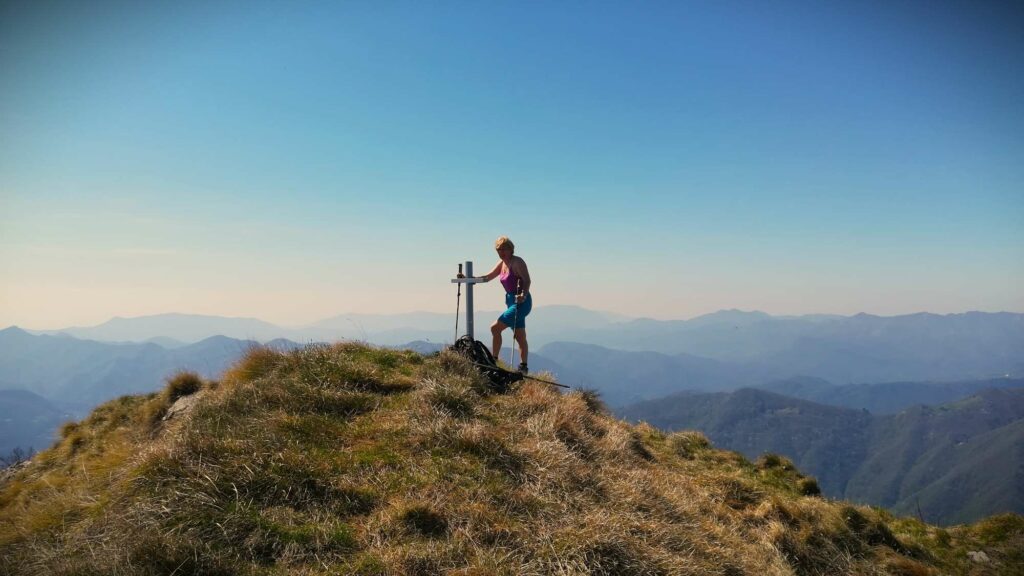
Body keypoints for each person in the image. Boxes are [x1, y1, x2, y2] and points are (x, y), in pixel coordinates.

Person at [461, 236, 532, 373]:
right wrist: (469, 279)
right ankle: (523, 367)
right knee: (520, 336)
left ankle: (494, 359)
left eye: (504, 249)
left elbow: (527, 280)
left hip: (521, 301)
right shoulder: (502, 263)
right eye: (499, 250)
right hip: (511, 301)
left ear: (511, 249)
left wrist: (523, 294)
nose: (501, 252)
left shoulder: (517, 262)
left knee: (495, 328)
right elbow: (488, 277)